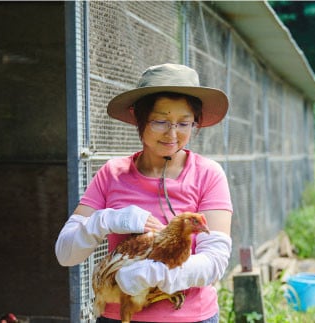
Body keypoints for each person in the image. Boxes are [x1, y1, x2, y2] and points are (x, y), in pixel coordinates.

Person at [55, 63, 233, 323]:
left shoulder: (208, 174)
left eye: (184, 123)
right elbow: (65, 253)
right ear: (139, 118)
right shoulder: (112, 173)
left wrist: (153, 273)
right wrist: (106, 220)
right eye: (160, 121)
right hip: (120, 316)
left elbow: (214, 263)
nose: (172, 134)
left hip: (191, 318)